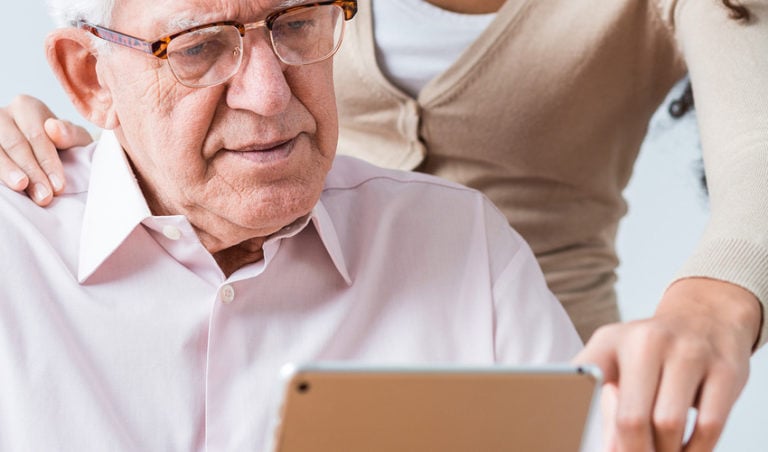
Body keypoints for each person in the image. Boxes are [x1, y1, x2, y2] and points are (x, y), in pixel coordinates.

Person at [0, 0, 765, 450]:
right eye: (201, 50)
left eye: (300, 26)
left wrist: (712, 304)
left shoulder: (472, 244)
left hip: (528, 343)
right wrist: (88, 131)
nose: (268, 95)